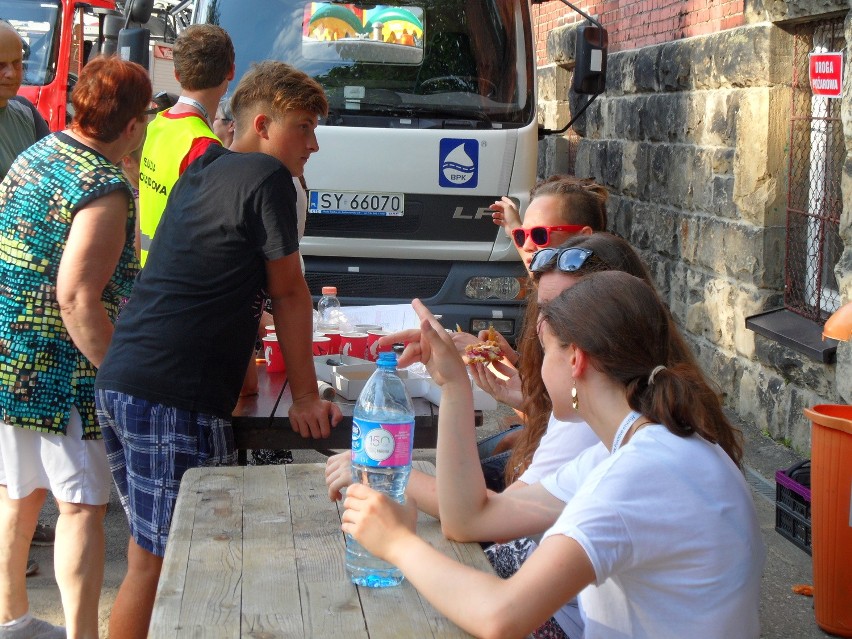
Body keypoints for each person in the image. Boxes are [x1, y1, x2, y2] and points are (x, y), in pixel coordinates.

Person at [342, 278, 765, 638]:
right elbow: (470, 519)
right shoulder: (640, 447)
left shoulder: (639, 473)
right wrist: (455, 385)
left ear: (576, 359)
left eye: (545, 352)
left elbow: (501, 615)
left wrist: (398, 544)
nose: (537, 369)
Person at [94, 60, 343, 639]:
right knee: (165, 563)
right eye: (303, 127)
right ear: (262, 123)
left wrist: (245, 380)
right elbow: (287, 290)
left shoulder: (204, 168)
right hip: (168, 396)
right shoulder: (267, 177)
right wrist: (305, 396)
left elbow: (220, 281)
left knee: (159, 556)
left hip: (127, 382)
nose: (313, 144)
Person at [0, 55, 150, 639]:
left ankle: (11, 619)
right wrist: (119, 374)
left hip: (11, 357)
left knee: (18, 493)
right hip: (65, 369)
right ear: (132, 125)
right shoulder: (102, 186)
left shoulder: (38, 153)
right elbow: (78, 299)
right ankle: (83, 634)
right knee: (81, 507)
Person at [0, 19, 56, 581]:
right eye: (1, 66)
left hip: (22, 289)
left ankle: (14, 532)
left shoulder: (26, 116)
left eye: (18, 61)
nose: (13, 74)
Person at [137, 23, 235, 265]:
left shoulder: (157, 126)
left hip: (150, 277)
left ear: (177, 75)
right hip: (179, 282)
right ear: (231, 72)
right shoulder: (205, 147)